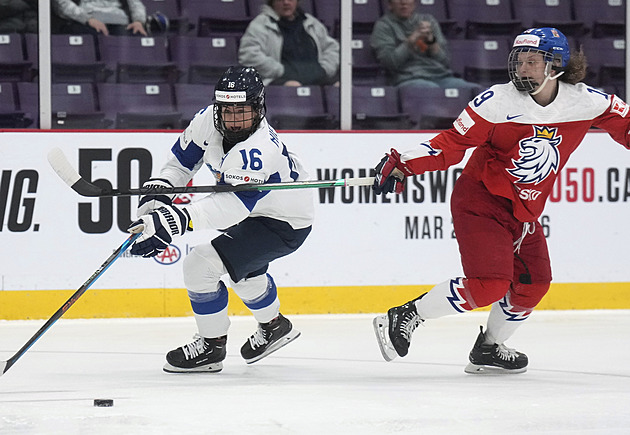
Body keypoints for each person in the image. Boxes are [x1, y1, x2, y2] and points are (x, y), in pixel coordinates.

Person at [371, 27, 630, 374]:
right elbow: (450, 144)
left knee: (534, 284)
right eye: (519, 60)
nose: (522, 68)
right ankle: (406, 315)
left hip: (525, 213)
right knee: (490, 283)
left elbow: (625, 125)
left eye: (532, 61)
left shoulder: (584, 102)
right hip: (481, 202)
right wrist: (403, 163)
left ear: (556, 65)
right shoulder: (498, 102)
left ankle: (489, 348)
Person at [128, 66, 314, 373]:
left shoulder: (259, 149)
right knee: (244, 272)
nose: (233, 118)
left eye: (242, 110)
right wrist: (158, 195)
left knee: (199, 266)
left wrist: (174, 220)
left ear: (258, 107)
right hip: (257, 213)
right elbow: (180, 165)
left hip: (283, 222)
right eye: (227, 110)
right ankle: (275, 326)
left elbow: (233, 205)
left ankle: (211, 347)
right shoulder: (206, 120)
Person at [371, 0, 479, 91]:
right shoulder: (384, 25)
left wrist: (431, 42)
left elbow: (445, 61)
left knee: (478, 91)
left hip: (441, 76)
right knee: (430, 90)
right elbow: (390, 63)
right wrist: (411, 41)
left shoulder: (428, 21)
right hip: (408, 78)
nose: (403, 2)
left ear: (415, 3)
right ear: (390, 4)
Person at [238, 0, 339, 86]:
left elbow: (332, 49)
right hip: (279, 79)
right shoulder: (260, 25)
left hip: (316, 76)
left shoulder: (311, 23)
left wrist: (325, 69)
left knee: (341, 88)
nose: (286, 2)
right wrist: (281, 71)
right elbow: (249, 56)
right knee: (293, 86)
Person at [52, 0, 147, 36]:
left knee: (135, 34)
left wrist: (138, 21)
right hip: (85, 20)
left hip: (119, 21)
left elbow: (136, 3)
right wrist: (87, 19)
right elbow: (61, 4)